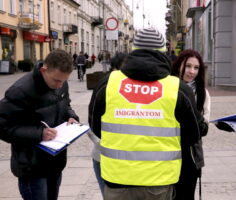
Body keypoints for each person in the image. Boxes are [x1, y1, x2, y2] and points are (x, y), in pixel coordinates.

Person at [88, 28, 208, 200]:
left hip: (117, 178)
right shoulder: (177, 89)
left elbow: (96, 127)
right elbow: (194, 133)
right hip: (159, 180)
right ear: (163, 53)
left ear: (133, 50)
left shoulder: (108, 84)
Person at [0, 49, 79, 200]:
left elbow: (65, 105)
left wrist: (71, 116)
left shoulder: (60, 83)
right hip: (31, 166)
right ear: (44, 70)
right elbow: (2, 126)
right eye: (56, 80)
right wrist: (38, 133)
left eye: (64, 81)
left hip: (55, 161)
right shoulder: (20, 90)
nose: (59, 85)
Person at [171, 49, 210, 200]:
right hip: (167, 153)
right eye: (188, 66)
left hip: (190, 155)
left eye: (196, 67)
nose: (192, 71)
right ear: (179, 65)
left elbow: (204, 128)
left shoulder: (202, 93)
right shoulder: (166, 88)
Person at [87, 52, 128, 196]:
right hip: (103, 156)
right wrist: (101, 143)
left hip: (125, 162)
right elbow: (92, 122)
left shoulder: (130, 90)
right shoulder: (105, 86)